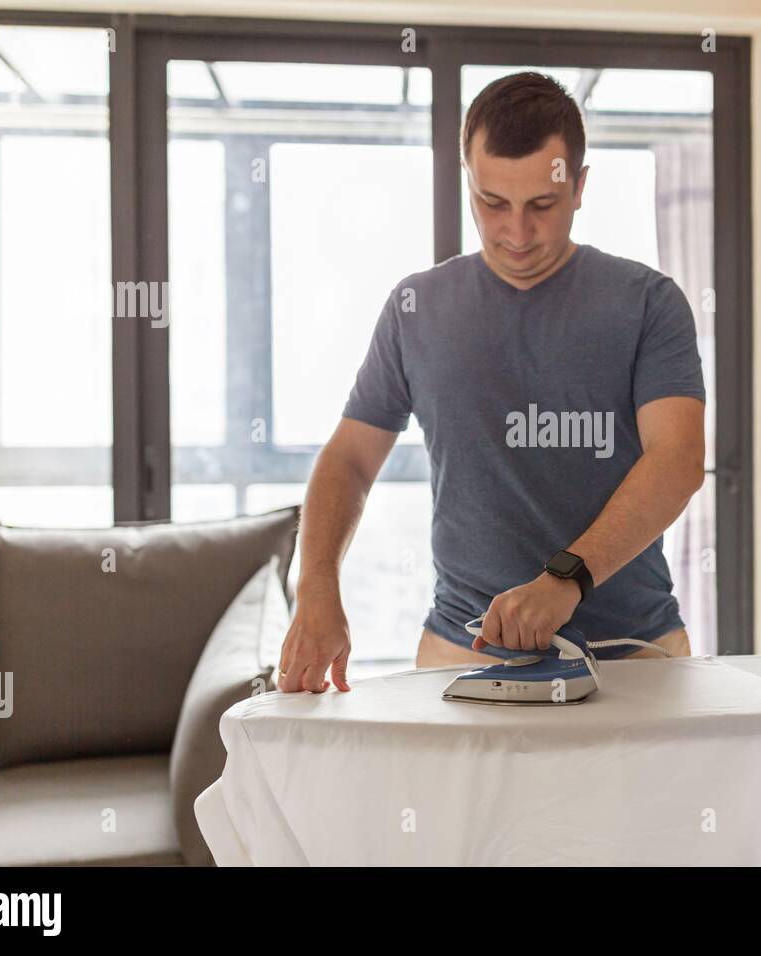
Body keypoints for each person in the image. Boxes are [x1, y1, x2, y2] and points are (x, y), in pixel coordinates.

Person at [276, 71, 706, 693]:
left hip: (632, 654)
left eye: (542, 205)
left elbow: (679, 459)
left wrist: (564, 580)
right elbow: (348, 460)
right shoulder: (415, 309)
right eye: (492, 203)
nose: (516, 233)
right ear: (468, 183)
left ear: (579, 186)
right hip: (462, 652)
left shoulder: (648, 304)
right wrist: (315, 587)